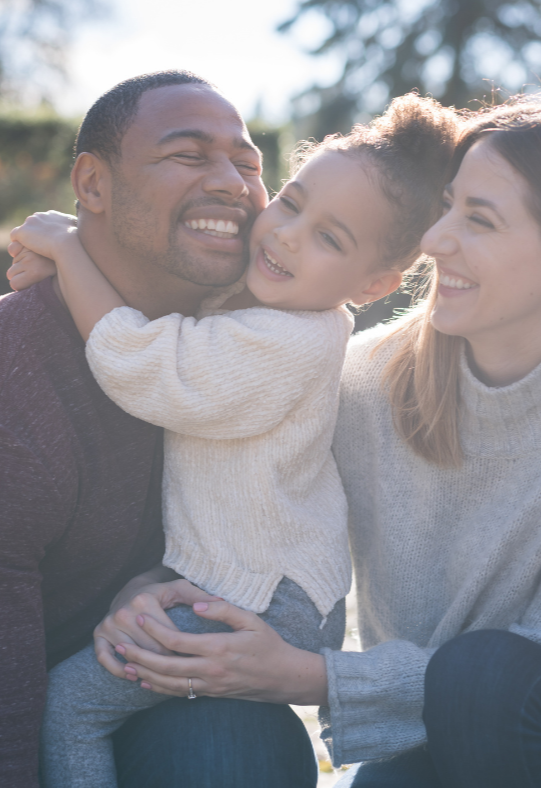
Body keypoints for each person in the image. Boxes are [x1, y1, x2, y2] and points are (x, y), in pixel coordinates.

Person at [84, 95, 541, 788]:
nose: (435, 241)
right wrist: (158, 583)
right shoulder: (366, 380)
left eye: (481, 221)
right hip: (433, 740)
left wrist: (308, 674)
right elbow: (249, 492)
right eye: (449, 206)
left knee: (485, 676)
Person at [9, 94, 459, 788]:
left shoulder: (293, 337)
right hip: (231, 576)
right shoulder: (263, 300)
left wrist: (70, 253)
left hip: (259, 597)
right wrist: (74, 266)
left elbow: (148, 365)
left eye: (329, 238)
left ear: (373, 284)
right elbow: (156, 289)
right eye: (292, 203)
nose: (284, 235)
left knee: (72, 707)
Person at [0, 69, 270, 788]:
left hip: (127, 695)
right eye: (188, 155)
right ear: (91, 185)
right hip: (32, 721)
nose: (234, 184)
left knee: (237, 737)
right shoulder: (15, 372)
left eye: (249, 164)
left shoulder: (258, 356)